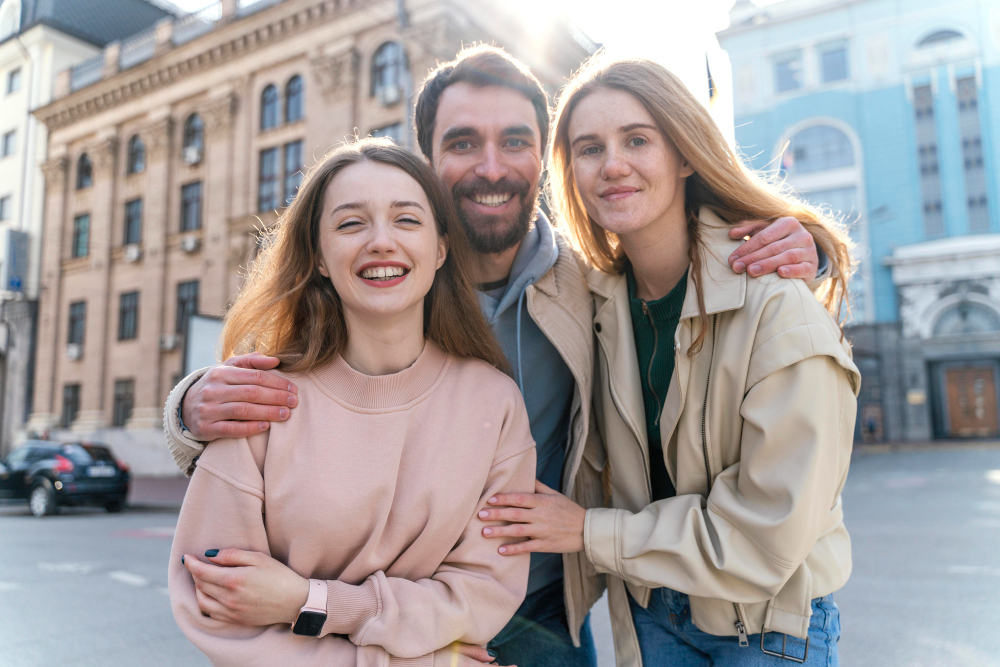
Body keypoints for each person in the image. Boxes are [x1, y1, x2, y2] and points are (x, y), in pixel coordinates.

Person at [162, 46, 831, 667]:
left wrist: (807, 249)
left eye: (514, 141)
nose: (490, 166)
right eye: (462, 143)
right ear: (426, 155)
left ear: (542, 159)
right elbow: (273, 380)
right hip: (348, 617)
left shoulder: (589, 286)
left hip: (536, 610)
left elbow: (684, 271)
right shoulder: (376, 275)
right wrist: (189, 405)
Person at [477, 55, 861, 667]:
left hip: (764, 629)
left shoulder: (774, 305)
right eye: (589, 148)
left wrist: (585, 530)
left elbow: (766, 536)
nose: (613, 165)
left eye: (637, 139)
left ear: (685, 153)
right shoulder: (589, 299)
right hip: (649, 619)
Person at [168, 138, 536, 667]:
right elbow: (216, 610)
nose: (381, 242)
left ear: (440, 249)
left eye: (407, 220)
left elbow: (481, 598)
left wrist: (311, 601)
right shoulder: (261, 399)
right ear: (318, 257)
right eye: (350, 224)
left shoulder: (494, 405)